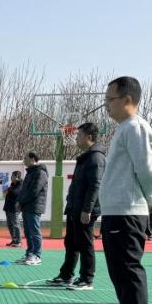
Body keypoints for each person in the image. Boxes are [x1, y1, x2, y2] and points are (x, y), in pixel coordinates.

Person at [97, 76, 152, 304]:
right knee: (118, 270)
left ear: (127, 100)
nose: (106, 106)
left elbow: (146, 169)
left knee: (128, 269)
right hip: (116, 211)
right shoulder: (124, 129)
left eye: (109, 100)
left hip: (128, 211)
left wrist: (151, 199)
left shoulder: (136, 128)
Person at [48, 122, 105, 290]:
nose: (76, 138)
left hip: (85, 210)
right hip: (75, 208)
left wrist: (87, 209)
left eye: (79, 135)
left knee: (85, 244)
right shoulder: (86, 156)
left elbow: (95, 185)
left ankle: (87, 279)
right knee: (71, 243)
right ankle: (66, 275)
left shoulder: (96, 158)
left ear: (88, 137)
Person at [15, 152, 48, 266]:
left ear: (33, 159)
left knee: (34, 231)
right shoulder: (30, 173)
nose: (23, 160)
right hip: (26, 206)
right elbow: (24, 190)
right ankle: (29, 254)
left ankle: (37, 255)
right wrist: (19, 201)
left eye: (25, 158)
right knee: (28, 231)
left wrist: (22, 201)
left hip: (34, 207)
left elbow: (34, 191)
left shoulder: (40, 173)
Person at [3, 170, 23, 247]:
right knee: (10, 225)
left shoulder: (20, 185)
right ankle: (14, 240)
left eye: (13, 176)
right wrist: (8, 190)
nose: (11, 177)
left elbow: (16, 193)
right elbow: (8, 192)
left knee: (15, 224)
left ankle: (18, 241)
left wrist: (9, 190)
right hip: (8, 207)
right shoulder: (12, 185)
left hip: (15, 208)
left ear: (17, 177)